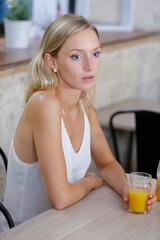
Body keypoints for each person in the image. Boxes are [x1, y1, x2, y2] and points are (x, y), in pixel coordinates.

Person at [0, 14, 156, 232]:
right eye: (76, 57)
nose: (90, 66)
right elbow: (61, 198)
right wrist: (90, 182)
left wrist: (126, 188)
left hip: (66, 225)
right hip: (27, 231)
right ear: (51, 61)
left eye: (95, 53)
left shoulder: (84, 105)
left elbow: (107, 164)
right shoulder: (45, 104)